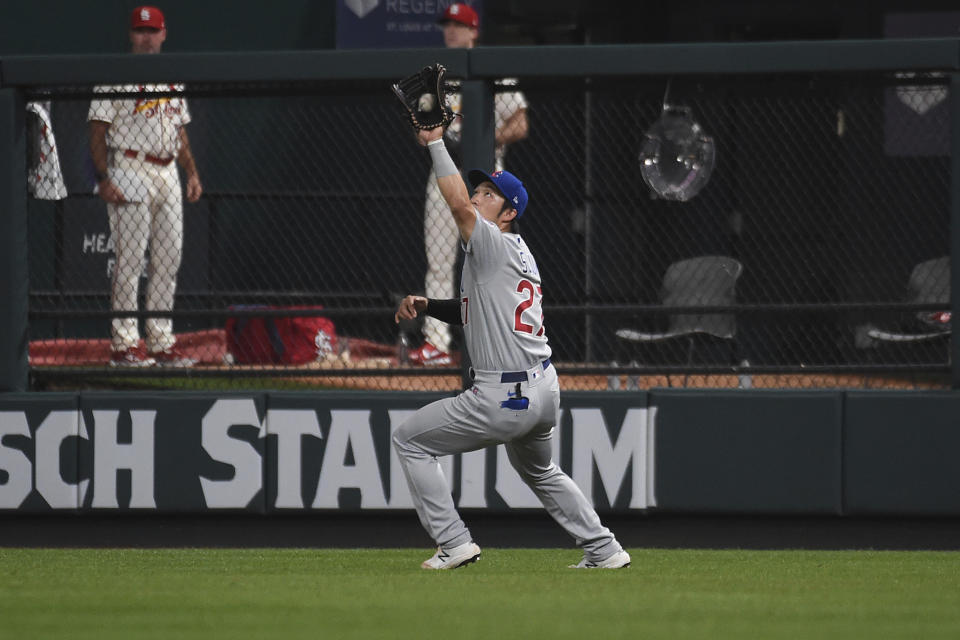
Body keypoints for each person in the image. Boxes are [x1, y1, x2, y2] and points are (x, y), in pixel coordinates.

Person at [392, 125, 631, 570]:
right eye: (480, 189)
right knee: (541, 471)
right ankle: (604, 548)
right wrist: (429, 306)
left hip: (504, 395)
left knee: (409, 440)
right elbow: (476, 311)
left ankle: (454, 542)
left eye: (488, 193)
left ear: (507, 213)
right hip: (543, 389)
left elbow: (456, 205)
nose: (478, 197)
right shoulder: (515, 252)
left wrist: (436, 143)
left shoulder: (490, 242)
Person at [409, 2, 530, 366]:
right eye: (447, 25)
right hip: (447, 174)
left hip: (486, 181)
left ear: (475, 30)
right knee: (440, 262)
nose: (451, 31)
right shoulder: (437, 78)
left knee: (495, 263)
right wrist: (436, 134)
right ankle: (436, 344)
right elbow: (421, 136)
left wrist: (485, 140)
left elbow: (520, 123)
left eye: (459, 25)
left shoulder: (494, 68)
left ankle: (508, 339)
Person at [88, 6, 202, 367]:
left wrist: (193, 173)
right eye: (140, 31)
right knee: (131, 260)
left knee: (169, 258)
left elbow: (179, 132)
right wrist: (103, 179)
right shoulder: (115, 75)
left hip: (167, 170)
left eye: (152, 31)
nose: (147, 37)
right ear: (131, 35)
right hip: (129, 165)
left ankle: (160, 342)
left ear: (164, 33)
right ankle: (123, 345)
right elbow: (97, 132)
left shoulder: (172, 77)